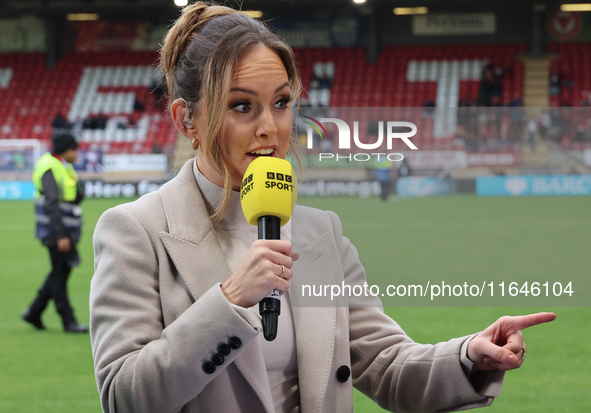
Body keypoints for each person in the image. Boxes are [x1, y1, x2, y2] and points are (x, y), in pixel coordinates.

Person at [89, 3, 556, 413]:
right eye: (241, 106)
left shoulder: (318, 231)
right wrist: (229, 302)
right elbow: (123, 397)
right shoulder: (135, 230)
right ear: (185, 118)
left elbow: (385, 362)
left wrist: (469, 355)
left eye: (280, 102)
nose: (270, 127)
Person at [22, 132, 88, 333]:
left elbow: (68, 197)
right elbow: (51, 203)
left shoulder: (62, 165)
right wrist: (61, 235)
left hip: (63, 229)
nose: (77, 153)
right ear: (67, 150)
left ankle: (34, 312)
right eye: (74, 149)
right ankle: (68, 320)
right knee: (60, 274)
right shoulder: (50, 166)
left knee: (59, 272)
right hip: (56, 231)